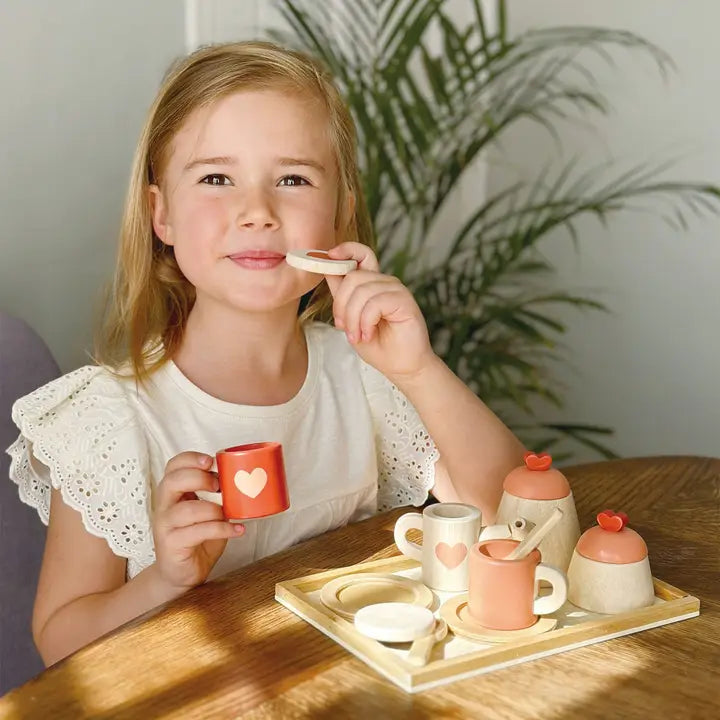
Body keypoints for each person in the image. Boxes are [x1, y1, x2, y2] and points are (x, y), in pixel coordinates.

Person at [5, 41, 525, 666]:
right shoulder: (106, 419)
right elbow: (59, 642)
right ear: (161, 214)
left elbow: (515, 520)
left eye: (293, 179)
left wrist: (418, 369)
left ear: (338, 216)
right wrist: (165, 580)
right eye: (217, 178)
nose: (257, 212)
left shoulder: (367, 376)